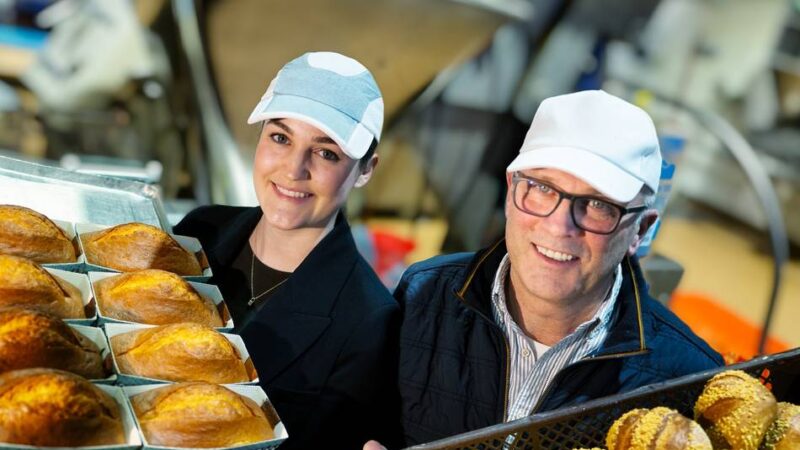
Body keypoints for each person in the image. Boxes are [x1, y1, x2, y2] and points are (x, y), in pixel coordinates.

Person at [364, 90, 724, 449]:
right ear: (510, 192)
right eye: (541, 188)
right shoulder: (425, 296)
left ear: (640, 230)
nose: (558, 225)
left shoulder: (687, 380)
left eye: (597, 204)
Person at [174, 52, 400, 450]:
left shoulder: (367, 322)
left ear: (365, 169)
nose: (294, 170)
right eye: (281, 138)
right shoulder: (200, 231)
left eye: (327, 153)